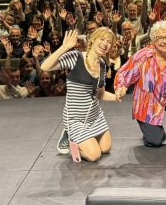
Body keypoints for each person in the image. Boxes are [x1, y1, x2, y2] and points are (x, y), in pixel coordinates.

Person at [40, 28, 117, 163]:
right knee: (94, 156)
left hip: (95, 116)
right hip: (76, 119)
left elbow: (101, 94)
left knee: (106, 148)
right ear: (92, 40)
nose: (105, 44)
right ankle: (70, 134)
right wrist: (64, 47)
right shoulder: (75, 57)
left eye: (109, 42)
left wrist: (117, 97)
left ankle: (81, 138)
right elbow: (45, 67)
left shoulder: (103, 65)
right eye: (102, 39)